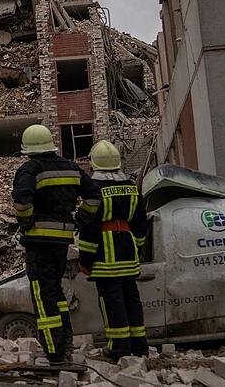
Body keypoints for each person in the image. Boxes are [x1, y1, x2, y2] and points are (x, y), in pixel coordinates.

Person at [11, 124, 100, 364]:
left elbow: (21, 200)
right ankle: (66, 343)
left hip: (39, 242)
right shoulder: (71, 168)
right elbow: (94, 196)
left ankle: (54, 352)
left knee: (43, 295)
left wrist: (26, 222)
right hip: (62, 241)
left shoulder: (30, 169)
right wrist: (80, 220)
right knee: (56, 292)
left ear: (28, 149)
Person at [75, 140, 148, 360]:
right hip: (128, 252)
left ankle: (117, 349)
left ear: (94, 163)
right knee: (132, 299)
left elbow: (90, 230)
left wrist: (85, 261)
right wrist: (138, 249)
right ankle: (139, 346)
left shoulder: (94, 189)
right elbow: (140, 224)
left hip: (106, 257)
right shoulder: (132, 187)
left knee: (112, 302)